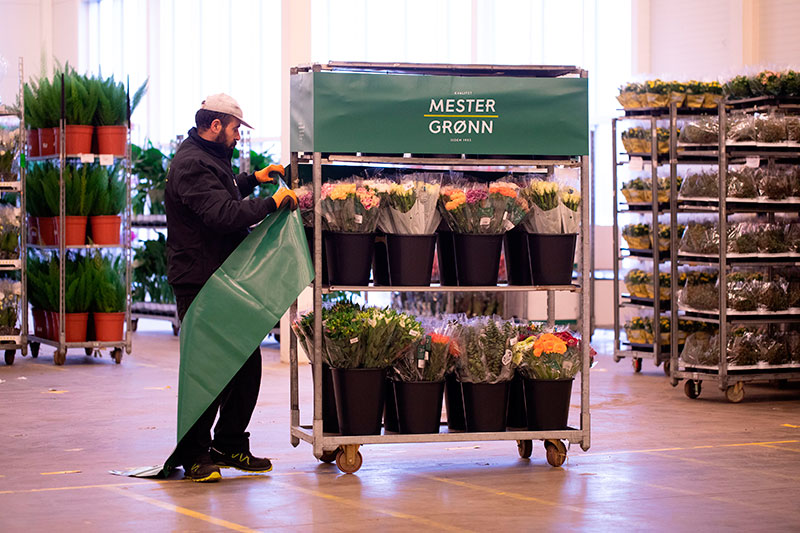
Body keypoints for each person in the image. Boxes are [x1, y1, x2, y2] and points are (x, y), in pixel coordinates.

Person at [165, 93, 298, 482]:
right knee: (208, 368)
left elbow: (220, 191)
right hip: (199, 279)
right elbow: (220, 213)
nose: (239, 136)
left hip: (219, 274)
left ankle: (229, 444)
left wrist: (250, 180)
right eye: (237, 128)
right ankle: (194, 454)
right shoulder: (190, 163)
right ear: (217, 125)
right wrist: (272, 202)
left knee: (245, 362)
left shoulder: (206, 157)